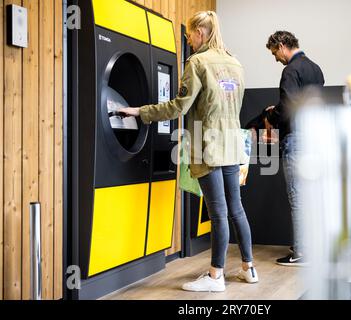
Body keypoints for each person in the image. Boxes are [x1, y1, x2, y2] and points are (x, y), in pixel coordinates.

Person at [118, 11, 257, 293]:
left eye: (191, 35)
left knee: (218, 214)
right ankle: (248, 268)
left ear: (201, 33)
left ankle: (216, 276)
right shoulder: (235, 63)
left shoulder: (197, 62)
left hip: (208, 148)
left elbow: (179, 106)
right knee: (236, 209)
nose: (189, 40)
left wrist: (139, 112)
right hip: (231, 145)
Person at [247, 31, 324, 267]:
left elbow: (289, 106)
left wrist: (272, 115)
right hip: (313, 137)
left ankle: (302, 252)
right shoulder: (315, 68)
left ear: (282, 46)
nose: (276, 58)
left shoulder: (290, 70)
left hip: (297, 139)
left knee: (297, 195)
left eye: (274, 53)